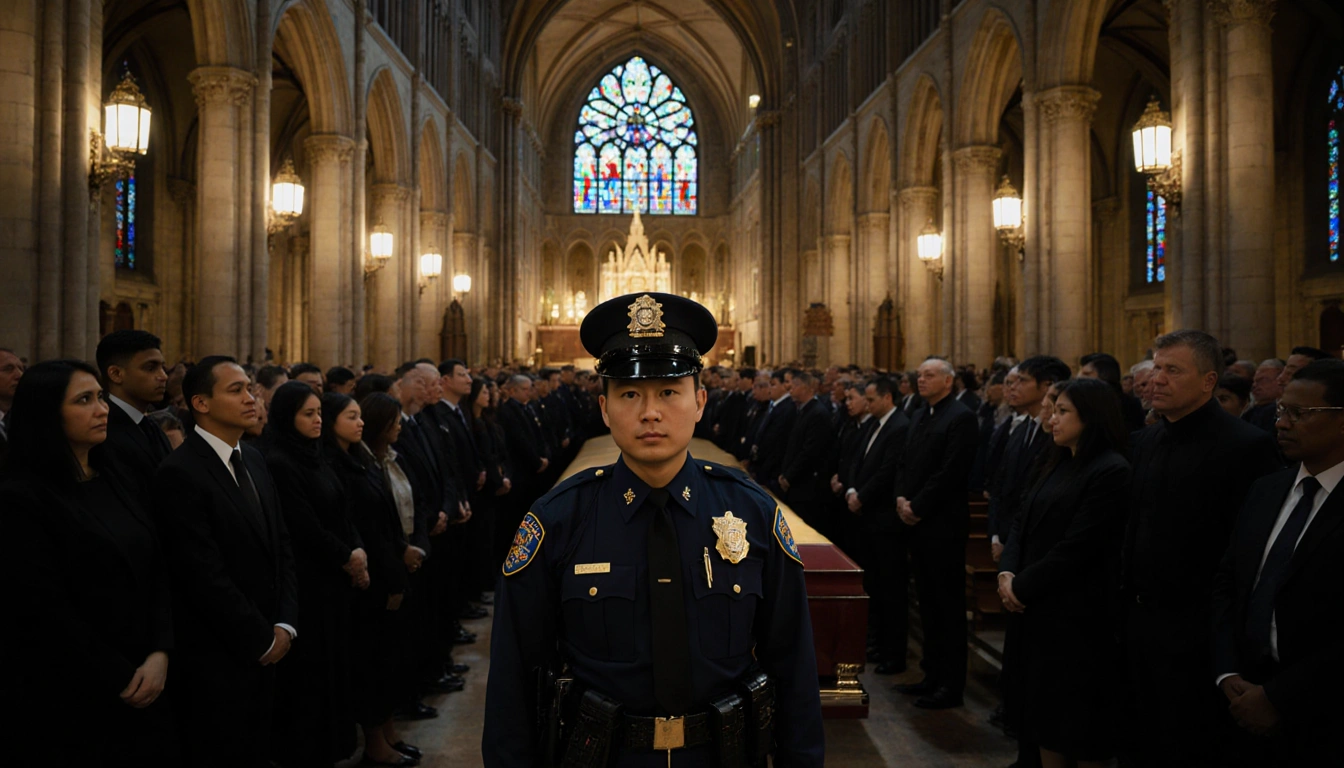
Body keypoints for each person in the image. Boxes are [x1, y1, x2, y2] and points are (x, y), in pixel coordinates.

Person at [483, 292, 824, 766]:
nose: (650, 412)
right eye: (629, 394)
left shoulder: (751, 513)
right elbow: (514, 676)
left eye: (668, 392)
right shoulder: (557, 520)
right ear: (604, 409)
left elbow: (793, 663)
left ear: (700, 402)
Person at [2, 359, 180, 766]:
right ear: (46, 413)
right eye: (85, 400)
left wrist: (160, 650)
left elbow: (156, 566)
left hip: (149, 670)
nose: (102, 409)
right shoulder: (20, 498)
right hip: (75, 690)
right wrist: (122, 675)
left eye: (100, 397)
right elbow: (43, 609)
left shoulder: (114, 475)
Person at [1121, 331, 1281, 766]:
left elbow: (1247, 553)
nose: (1156, 379)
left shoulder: (1247, 446)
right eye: (1155, 367)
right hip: (1139, 623)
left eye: (1173, 370)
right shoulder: (1146, 441)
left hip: (1199, 632)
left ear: (1209, 381)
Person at [151, 356, 299, 767]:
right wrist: (260, 637)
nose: (252, 399)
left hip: (271, 639)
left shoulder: (252, 458)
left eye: (250, 389)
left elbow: (281, 544)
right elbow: (201, 572)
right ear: (200, 402)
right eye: (236, 391)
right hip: (217, 652)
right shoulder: (179, 472)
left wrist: (285, 622)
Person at [1211, 359, 1344, 766]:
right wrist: (1226, 672)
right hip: (1242, 691)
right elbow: (1228, 583)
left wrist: (1278, 697)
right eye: (1282, 410)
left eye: (1300, 414)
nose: (1281, 423)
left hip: (1324, 710)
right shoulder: (1267, 489)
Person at [997, 378, 1131, 768]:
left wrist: (1020, 585)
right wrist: (1007, 573)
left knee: (1070, 722)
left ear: (1091, 418)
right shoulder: (1058, 460)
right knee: (1040, 715)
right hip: (1034, 608)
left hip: (1074, 616)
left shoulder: (1110, 470)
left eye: (1062, 411)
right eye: (1053, 411)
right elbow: (1022, 521)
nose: (1052, 419)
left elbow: (1079, 547)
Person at [262, 381, 367, 766]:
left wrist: (356, 551)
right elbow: (303, 526)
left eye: (319, 412)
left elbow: (342, 509)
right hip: (311, 586)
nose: (317, 419)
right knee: (312, 678)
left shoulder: (315, 455)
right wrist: (348, 557)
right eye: (308, 413)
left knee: (336, 670)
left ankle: (336, 747)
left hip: (336, 582)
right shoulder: (279, 461)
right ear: (287, 417)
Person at [322, 393, 420, 767]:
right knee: (371, 665)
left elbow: (386, 519)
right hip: (369, 582)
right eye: (351, 416)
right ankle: (376, 743)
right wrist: (391, 577)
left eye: (361, 416)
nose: (359, 423)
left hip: (386, 570)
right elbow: (362, 528)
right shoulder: (337, 465)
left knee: (388, 661)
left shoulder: (360, 460)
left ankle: (390, 733)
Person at [892, 357, 979, 709]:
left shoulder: (960, 418)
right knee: (926, 604)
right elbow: (904, 461)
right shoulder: (920, 415)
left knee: (947, 607)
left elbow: (951, 472)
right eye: (919, 375)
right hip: (916, 521)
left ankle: (950, 684)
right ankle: (930, 674)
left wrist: (918, 505)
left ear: (949, 381)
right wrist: (901, 497)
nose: (921, 380)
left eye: (929, 375)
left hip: (942, 524)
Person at [848, 376, 911, 675]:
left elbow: (887, 471)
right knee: (874, 586)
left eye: (871, 399)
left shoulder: (899, 426)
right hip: (868, 517)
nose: (868, 404)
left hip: (885, 520)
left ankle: (893, 653)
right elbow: (858, 461)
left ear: (887, 398)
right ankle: (877, 642)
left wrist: (861, 495)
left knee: (890, 590)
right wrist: (851, 489)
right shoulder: (875, 423)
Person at [96, 330, 172, 491]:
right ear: (116, 374)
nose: (163, 376)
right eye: (150, 368)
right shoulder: (102, 430)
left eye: (162, 367)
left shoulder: (151, 427)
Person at [777, 370, 835, 536]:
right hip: (796, 483)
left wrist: (789, 476)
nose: (791, 389)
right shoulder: (804, 410)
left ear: (809, 388)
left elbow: (809, 452)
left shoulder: (817, 413)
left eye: (795, 386)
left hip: (807, 486)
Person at [748, 369, 796, 492]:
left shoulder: (787, 408)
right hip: (761, 466)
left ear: (784, 387)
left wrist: (762, 470)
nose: (770, 388)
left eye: (773, 385)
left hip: (771, 471)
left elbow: (777, 442)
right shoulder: (774, 405)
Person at [1243, 359, 1285, 432]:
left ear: (1280, 381)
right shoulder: (1250, 411)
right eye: (1254, 381)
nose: (1254, 385)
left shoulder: (1282, 412)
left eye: (1262, 380)